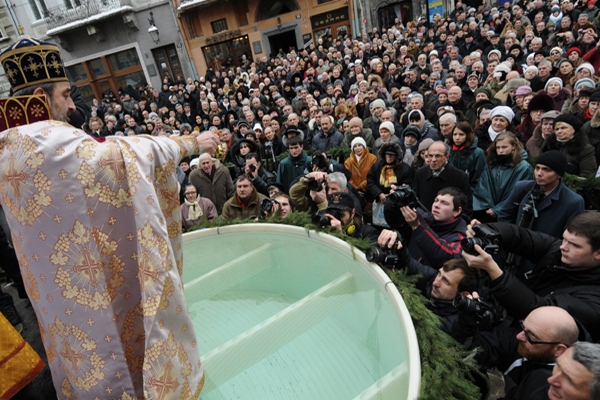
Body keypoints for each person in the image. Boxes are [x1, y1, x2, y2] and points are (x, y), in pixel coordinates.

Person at [0, 36, 220, 399]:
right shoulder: (48, 141)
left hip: (57, 300)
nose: (71, 106)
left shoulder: (8, 144)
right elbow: (124, 155)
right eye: (66, 95)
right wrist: (192, 143)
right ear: (41, 95)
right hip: (94, 292)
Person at [463, 212, 600, 342]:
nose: (563, 247)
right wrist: (485, 231)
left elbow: (540, 310)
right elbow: (520, 236)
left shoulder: (594, 299)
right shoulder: (558, 251)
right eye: (564, 239)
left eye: (575, 245)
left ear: (598, 254)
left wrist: (494, 271)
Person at [376, 229, 482, 342]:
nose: (436, 283)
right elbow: (408, 264)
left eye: (446, 281)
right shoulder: (431, 277)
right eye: (440, 274)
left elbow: (449, 332)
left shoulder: (458, 321)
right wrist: (397, 241)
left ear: (463, 295)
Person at [468, 306, 579, 399]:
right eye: (522, 327)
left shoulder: (555, 390)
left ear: (559, 349)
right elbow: (487, 343)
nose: (519, 336)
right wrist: (465, 326)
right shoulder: (526, 341)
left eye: (531, 336)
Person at [498, 150, 585, 239]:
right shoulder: (522, 188)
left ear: (559, 175)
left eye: (546, 170)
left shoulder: (572, 201)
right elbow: (505, 215)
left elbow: (571, 235)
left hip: (548, 250)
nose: (539, 174)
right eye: (537, 168)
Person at [383, 187, 468, 269]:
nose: (436, 205)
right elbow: (394, 222)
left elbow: (449, 256)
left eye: (444, 203)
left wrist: (417, 227)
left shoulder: (462, 235)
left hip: (430, 281)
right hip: (405, 272)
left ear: (457, 211)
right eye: (436, 200)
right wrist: (394, 202)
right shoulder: (425, 218)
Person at [472, 132, 532, 222]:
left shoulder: (524, 167)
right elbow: (483, 186)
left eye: (504, 147)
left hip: (510, 215)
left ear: (513, 146)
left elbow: (519, 193)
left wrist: (498, 209)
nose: (500, 151)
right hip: (488, 212)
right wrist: (488, 207)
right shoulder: (491, 164)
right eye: (498, 147)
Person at [412, 141, 473, 213]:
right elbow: (414, 200)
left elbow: (466, 207)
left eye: (438, 156)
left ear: (447, 157)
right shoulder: (420, 174)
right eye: (430, 155)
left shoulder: (460, 176)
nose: (433, 160)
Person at [540, 113, 598, 179]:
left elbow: (587, 175)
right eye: (557, 129)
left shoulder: (585, 148)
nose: (559, 131)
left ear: (573, 129)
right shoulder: (548, 145)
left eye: (563, 128)